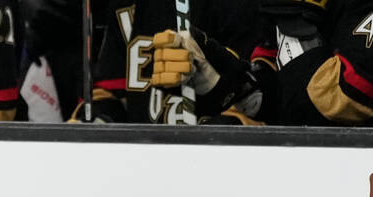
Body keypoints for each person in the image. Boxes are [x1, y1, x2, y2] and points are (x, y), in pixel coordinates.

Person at [78, 0, 268, 124]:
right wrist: (100, 119)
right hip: (141, 161)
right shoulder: (124, 6)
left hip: (214, 161)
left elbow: (261, 96)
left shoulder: (240, 8)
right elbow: (111, 91)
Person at [245, 0, 373, 125]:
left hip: (347, 139)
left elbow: (350, 94)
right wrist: (245, 89)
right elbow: (273, 69)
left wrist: (297, 22)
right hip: (295, 139)